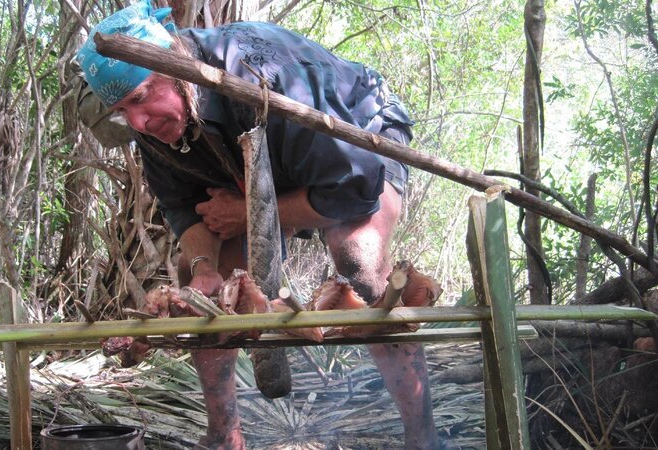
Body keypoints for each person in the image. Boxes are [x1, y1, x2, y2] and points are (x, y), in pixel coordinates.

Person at [76, 1, 440, 448]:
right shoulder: (153, 125)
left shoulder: (256, 77)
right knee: (206, 294)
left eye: (139, 98)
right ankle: (224, 437)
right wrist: (204, 265)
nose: (137, 122)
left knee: (358, 260)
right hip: (257, 172)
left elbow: (353, 188)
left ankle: (423, 437)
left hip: (358, 135)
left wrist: (249, 210)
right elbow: (185, 208)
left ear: (176, 69)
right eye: (121, 111)